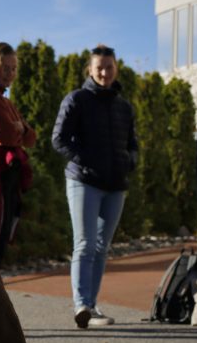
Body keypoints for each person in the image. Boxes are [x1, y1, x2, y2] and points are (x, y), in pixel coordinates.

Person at [52, 45, 138, 328]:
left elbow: (132, 144)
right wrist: (87, 160)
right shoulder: (76, 99)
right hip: (84, 181)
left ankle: (92, 306)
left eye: (109, 67)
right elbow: (59, 139)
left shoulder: (124, 107)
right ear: (89, 69)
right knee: (85, 244)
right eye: (99, 67)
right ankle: (81, 305)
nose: (104, 72)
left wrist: (130, 161)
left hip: (116, 185)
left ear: (116, 68)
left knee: (102, 247)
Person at [0, 42, 35, 266]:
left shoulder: (4, 101)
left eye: (13, 68)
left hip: (5, 178)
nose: (9, 73)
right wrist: (19, 128)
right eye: (5, 67)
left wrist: (21, 129)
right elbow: (8, 136)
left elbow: (31, 138)